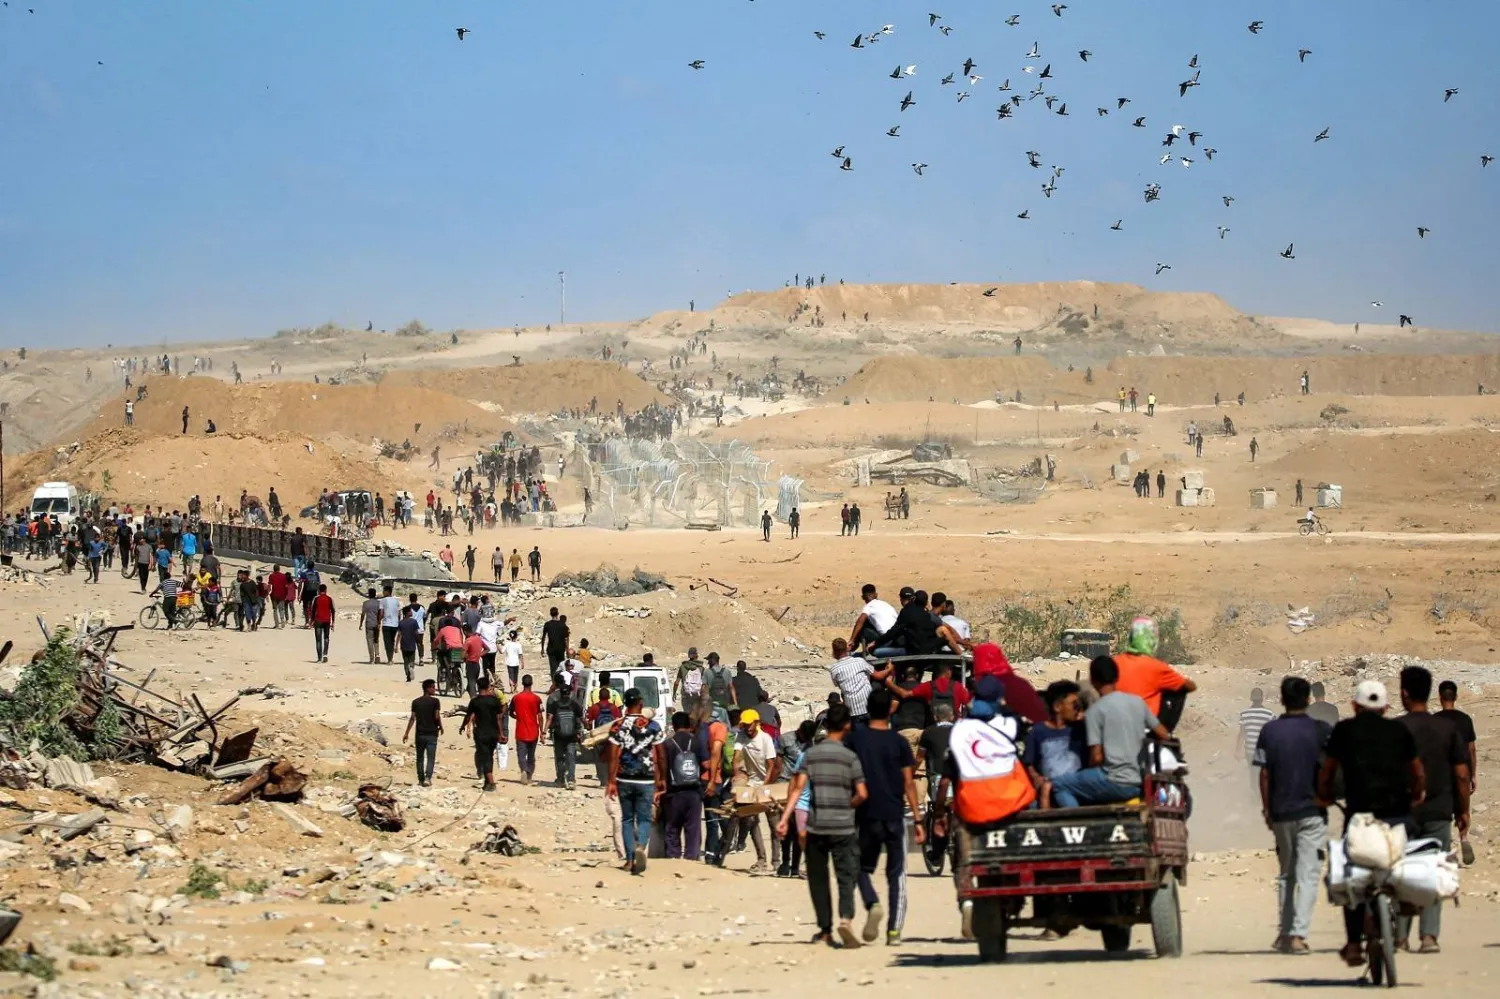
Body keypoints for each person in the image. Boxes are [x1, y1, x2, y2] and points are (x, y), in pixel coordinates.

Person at [1318, 681, 1423, 967]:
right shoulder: (1400, 730)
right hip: (1397, 814)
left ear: (1355, 706)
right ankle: (1409, 898)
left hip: (1360, 816)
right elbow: (1417, 771)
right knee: (1410, 849)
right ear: (1386, 707)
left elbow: (1328, 771)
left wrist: (1323, 796)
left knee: (1350, 874)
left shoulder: (1344, 730)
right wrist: (1417, 794)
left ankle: (1353, 944)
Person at [1394, 666, 1470, 953]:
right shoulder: (1447, 728)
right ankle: (1429, 937)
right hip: (1440, 810)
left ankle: (1400, 936)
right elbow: (1462, 775)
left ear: (1404, 693)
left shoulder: (1397, 729)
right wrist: (1463, 811)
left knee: (1404, 871)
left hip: (1404, 812)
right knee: (1434, 869)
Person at [1255, 677, 1331, 956]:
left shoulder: (1270, 731)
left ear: (1283, 699)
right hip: (1312, 811)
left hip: (1282, 812)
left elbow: (1263, 773)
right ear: (1309, 699)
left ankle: (1286, 932)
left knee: (1287, 873)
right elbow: (1330, 767)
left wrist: (1266, 809)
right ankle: (1297, 934)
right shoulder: (1320, 730)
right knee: (1308, 873)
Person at [785, 704, 867, 948]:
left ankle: (824, 930)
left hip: (816, 826)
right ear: (847, 726)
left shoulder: (810, 754)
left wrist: (783, 818)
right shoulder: (850, 756)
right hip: (843, 825)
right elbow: (862, 793)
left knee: (818, 879)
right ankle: (845, 919)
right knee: (846, 875)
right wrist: (848, 805)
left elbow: (797, 788)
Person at [848, 689, 923, 945]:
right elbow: (908, 782)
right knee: (897, 874)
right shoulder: (899, 742)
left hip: (866, 814)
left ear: (868, 708)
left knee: (859, 867)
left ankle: (872, 903)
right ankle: (894, 931)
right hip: (894, 814)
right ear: (891, 710)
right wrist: (918, 818)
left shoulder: (855, 740)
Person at [1049, 656, 1170, 808]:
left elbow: (1096, 757)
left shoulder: (1095, 712)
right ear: (1117, 677)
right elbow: (1163, 734)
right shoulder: (1137, 702)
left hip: (1112, 780)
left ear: (1093, 680)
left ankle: (1078, 822)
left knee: (1060, 785)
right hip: (1137, 781)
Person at [607, 689, 667, 875]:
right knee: (644, 818)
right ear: (640, 703)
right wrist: (662, 778)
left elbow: (614, 755)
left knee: (626, 819)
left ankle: (630, 859)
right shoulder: (653, 726)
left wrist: (610, 781)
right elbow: (661, 755)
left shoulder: (618, 726)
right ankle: (641, 844)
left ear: (625, 703)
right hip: (646, 779)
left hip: (624, 778)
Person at [1113, 616, 1197, 722]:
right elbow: (1190, 686)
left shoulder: (1114, 662)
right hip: (1146, 726)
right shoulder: (1157, 667)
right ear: (1152, 640)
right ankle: (1165, 733)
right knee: (1178, 691)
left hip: (1115, 723)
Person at [1023, 680, 1088, 809]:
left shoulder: (1079, 730)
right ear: (1057, 707)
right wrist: (1036, 778)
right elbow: (1029, 762)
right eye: (1073, 705)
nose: (1077, 709)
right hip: (1047, 787)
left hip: (1073, 787)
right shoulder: (1038, 731)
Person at [1435, 680, 1478, 866]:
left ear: (1440, 697)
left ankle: (1445, 846)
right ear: (1456, 697)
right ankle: (1464, 838)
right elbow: (1472, 750)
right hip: (1463, 771)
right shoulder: (1465, 719)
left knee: (1444, 810)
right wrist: (1473, 774)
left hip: (1442, 773)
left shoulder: (1435, 720)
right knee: (1462, 809)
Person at [663, 711, 705, 861]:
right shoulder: (697, 742)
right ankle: (691, 858)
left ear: (673, 726)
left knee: (672, 827)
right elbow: (705, 764)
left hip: (674, 792)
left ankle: (673, 857)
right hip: (694, 791)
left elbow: (662, 768)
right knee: (693, 828)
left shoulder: (667, 744)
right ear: (688, 725)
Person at [827, 638, 893, 724]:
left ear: (834, 652)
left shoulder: (834, 669)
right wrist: (889, 669)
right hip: (868, 708)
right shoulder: (860, 661)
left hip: (852, 711)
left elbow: (839, 685)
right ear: (846, 649)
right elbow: (879, 676)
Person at [460, 676, 505, 792]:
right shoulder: (494, 701)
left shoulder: (475, 701)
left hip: (481, 734)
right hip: (493, 733)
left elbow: (468, 715)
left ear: (477, 687)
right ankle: (487, 782)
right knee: (489, 756)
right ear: (488, 687)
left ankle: (491, 781)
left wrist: (462, 726)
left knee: (485, 757)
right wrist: (501, 733)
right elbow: (499, 718)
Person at [402, 679, 443, 786]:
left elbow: (412, 718)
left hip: (419, 733)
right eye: (433, 687)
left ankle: (420, 779)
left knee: (420, 757)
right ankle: (427, 778)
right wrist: (441, 727)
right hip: (432, 733)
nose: (435, 689)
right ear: (428, 688)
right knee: (431, 757)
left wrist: (406, 733)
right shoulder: (435, 701)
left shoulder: (416, 702)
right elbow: (437, 716)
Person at [1237, 688, 1277, 793]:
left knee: (1253, 773)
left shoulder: (1244, 714)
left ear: (1251, 699)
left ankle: (1256, 793)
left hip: (1250, 750)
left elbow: (1242, 734)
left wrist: (1237, 750)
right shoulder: (1269, 714)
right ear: (1262, 699)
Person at [546, 677, 581, 789]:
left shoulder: (553, 700)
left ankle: (560, 779)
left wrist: (544, 731)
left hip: (558, 734)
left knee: (559, 757)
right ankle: (571, 780)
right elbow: (579, 718)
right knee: (571, 757)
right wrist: (580, 730)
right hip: (572, 735)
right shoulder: (574, 700)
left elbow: (549, 717)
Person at [848, 583, 899, 652]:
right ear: (876, 594)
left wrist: (852, 639)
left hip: (886, 640)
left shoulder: (869, 606)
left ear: (862, 597)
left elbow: (860, 620)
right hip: (897, 638)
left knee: (862, 626)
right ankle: (854, 646)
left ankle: (853, 648)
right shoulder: (886, 604)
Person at [674, 647, 706, 711]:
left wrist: (674, 693)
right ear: (696, 655)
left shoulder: (683, 666)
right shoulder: (701, 668)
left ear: (689, 655)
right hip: (697, 694)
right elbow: (704, 684)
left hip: (686, 694)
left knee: (686, 713)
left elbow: (677, 682)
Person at [397, 605, 422, 681]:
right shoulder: (414, 622)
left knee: (405, 660)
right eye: (410, 611)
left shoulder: (401, 622)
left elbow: (399, 635)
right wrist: (419, 642)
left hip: (404, 644)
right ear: (407, 613)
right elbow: (416, 633)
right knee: (412, 659)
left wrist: (396, 646)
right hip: (412, 643)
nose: (411, 612)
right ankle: (411, 667)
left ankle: (407, 674)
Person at [310, 584, 335, 662]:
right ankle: (325, 654)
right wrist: (333, 622)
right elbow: (333, 610)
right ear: (326, 590)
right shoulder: (330, 599)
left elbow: (313, 610)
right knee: (326, 638)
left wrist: (311, 621)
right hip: (327, 621)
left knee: (318, 640)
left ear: (319, 590)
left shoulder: (316, 598)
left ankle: (319, 658)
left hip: (318, 621)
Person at [541, 606, 568, 675]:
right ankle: (561, 682)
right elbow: (566, 638)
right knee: (562, 667)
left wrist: (542, 649)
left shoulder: (547, 624)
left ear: (550, 614)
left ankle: (554, 683)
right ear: (558, 613)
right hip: (561, 649)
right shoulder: (563, 625)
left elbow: (543, 637)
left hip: (551, 649)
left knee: (553, 668)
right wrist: (567, 649)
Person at [380, 584, 401, 663]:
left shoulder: (383, 600)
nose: (383, 592)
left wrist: (378, 620)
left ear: (387, 592)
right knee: (392, 641)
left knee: (387, 642)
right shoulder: (396, 601)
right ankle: (391, 657)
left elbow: (381, 613)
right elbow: (399, 614)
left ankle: (390, 659)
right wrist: (399, 623)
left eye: (383, 591)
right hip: (395, 624)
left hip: (386, 624)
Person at [361, 588, 382, 664]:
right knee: (376, 640)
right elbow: (380, 613)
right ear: (375, 594)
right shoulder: (378, 603)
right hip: (376, 623)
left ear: (369, 594)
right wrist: (379, 622)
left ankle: (372, 659)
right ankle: (377, 654)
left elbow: (363, 615)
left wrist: (360, 624)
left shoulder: (365, 603)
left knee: (370, 641)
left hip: (369, 623)